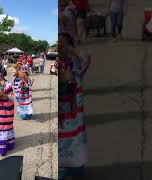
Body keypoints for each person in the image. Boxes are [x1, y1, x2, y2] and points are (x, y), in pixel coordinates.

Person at [59, 32, 91, 180]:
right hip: (60, 127)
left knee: (77, 164)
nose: (61, 48)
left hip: (76, 126)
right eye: (59, 46)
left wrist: (71, 50)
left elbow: (86, 57)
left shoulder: (75, 67)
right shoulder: (55, 69)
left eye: (64, 45)